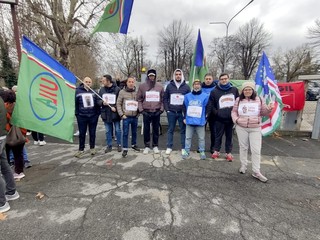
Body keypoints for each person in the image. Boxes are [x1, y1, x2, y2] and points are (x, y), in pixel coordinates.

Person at [231, 81, 274, 182]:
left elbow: (263, 112)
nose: (247, 91)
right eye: (245, 89)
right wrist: (236, 120)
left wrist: (269, 109)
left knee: (256, 150)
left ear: (253, 90)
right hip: (241, 127)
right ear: (242, 91)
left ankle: (256, 171)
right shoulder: (238, 100)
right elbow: (234, 111)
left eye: (249, 89)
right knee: (243, 147)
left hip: (255, 128)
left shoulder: (259, 99)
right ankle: (243, 165)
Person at [207, 73, 239, 161]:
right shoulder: (214, 91)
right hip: (219, 118)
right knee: (218, 136)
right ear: (219, 80)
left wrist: (235, 114)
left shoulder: (234, 90)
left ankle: (228, 152)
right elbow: (211, 104)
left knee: (229, 136)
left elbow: (238, 102)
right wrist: (216, 113)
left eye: (225, 79)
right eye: (222, 79)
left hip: (230, 118)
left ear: (228, 79)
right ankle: (216, 150)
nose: (224, 80)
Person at [0, 92, 19, 213]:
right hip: (1, 136)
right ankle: (11, 191)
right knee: (4, 164)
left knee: (3, 165)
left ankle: (1, 202)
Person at [137, 69, 164, 154]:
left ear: (155, 76)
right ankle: (147, 146)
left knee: (156, 129)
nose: (151, 77)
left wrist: (161, 110)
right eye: (150, 76)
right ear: (148, 76)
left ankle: (155, 145)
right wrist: (141, 110)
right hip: (146, 111)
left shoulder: (160, 87)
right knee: (146, 129)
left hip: (156, 111)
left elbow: (163, 99)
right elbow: (139, 99)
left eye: (153, 76)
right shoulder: (142, 86)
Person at [163, 69, 190, 155]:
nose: (178, 76)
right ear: (174, 76)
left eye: (179, 74)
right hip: (171, 112)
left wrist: (186, 112)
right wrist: (167, 110)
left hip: (181, 113)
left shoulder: (186, 87)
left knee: (183, 130)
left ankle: (183, 147)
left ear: (182, 76)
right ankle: (169, 146)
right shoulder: (169, 86)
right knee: (170, 129)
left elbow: (189, 100)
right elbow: (165, 98)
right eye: (176, 74)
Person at [182, 79, 209, 160]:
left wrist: (206, 117)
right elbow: (184, 107)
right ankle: (186, 151)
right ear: (193, 86)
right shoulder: (187, 96)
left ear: (200, 86)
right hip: (189, 120)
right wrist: (184, 117)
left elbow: (208, 108)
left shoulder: (205, 96)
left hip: (200, 121)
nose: (196, 85)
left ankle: (202, 151)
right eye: (195, 84)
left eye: (198, 84)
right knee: (188, 138)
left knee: (201, 138)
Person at [74, 77, 100, 158]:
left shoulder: (94, 92)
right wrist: (77, 114)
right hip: (82, 117)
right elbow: (75, 103)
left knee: (92, 133)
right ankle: (81, 149)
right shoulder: (78, 91)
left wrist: (102, 103)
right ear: (83, 82)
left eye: (89, 82)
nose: (88, 83)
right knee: (82, 134)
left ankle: (92, 148)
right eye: (86, 82)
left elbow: (97, 102)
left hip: (93, 116)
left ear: (91, 83)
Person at [3, 90, 27, 179]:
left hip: (8, 134)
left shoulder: (4, 108)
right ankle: (19, 172)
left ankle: (6, 171)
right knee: (18, 154)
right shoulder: (20, 107)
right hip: (21, 133)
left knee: (5, 154)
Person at [116, 77, 140, 157]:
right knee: (125, 133)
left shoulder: (137, 92)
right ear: (127, 83)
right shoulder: (122, 92)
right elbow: (118, 104)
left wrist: (138, 113)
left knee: (134, 132)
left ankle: (134, 144)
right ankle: (125, 149)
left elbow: (139, 102)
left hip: (135, 116)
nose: (131, 83)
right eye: (129, 82)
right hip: (126, 117)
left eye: (132, 82)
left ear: (134, 83)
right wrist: (121, 114)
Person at [98, 74, 122, 153]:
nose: (102, 81)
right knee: (108, 131)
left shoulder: (117, 89)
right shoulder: (101, 90)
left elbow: (120, 101)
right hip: (106, 113)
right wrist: (102, 103)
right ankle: (109, 145)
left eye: (104, 80)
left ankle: (119, 144)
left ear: (108, 81)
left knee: (118, 130)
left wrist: (115, 107)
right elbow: (98, 100)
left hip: (115, 113)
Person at [201, 73, 218, 153]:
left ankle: (213, 147)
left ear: (212, 79)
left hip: (213, 113)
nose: (208, 80)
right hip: (202, 112)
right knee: (201, 131)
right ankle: (201, 147)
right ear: (204, 79)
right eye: (206, 79)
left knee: (213, 131)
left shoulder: (216, 88)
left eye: (209, 79)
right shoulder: (200, 88)